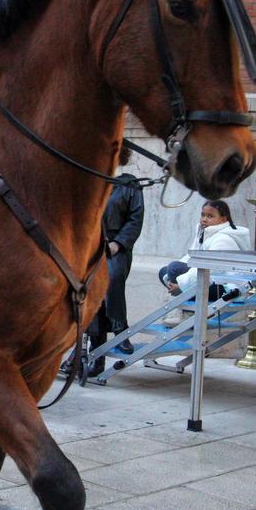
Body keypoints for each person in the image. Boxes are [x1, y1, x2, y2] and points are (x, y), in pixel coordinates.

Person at [90, 144, 144, 363]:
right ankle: (94, 353)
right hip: (91, 248)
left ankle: (121, 329)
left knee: (111, 280)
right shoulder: (91, 180)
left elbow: (135, 218)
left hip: (116, 248)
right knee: (92, 295)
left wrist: (118, 243)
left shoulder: (129, 184)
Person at [159, 200, 250, 299]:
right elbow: (190, 258)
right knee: (164, 271)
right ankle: (184, 294)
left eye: (210, 216)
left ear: (223, 219)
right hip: (208, 280)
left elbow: (208, 269)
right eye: (203, 215)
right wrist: (179, 284)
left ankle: (185, 296)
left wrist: (181, 286)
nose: (204, 219)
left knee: (174, 268)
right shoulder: (205, 233)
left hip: (225, 288)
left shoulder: (223, 239)